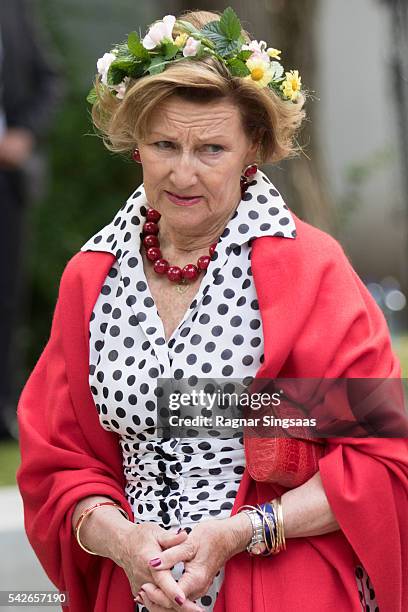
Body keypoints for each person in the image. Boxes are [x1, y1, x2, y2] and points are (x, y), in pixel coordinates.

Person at [16, 8, 408, 612]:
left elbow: (378, 453)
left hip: (281, 585)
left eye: (211, 148)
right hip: (139, 589)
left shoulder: (310, 270)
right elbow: (57, 463)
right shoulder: (90, 278)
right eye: (164, 144)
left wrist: (239, 530)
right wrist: (124, 541)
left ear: (254, 146)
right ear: (135, 146)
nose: (183, 171)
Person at [0, 0, 61, 439]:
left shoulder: (15, 9)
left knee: (6, 299)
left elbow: (49, 80)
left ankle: (4, 413)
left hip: (7, 182)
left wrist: (25, 133)